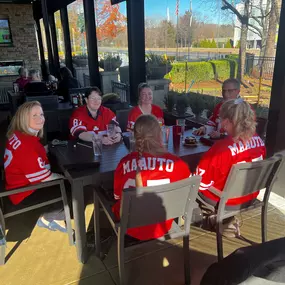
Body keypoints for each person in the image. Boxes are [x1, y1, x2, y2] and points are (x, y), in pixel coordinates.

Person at [112, 115, 191, 240]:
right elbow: (186, 194)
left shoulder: (124, 163)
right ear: (159, 134)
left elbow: (117, 196)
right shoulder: (177, 164)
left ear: (135, 136)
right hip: (163, 224)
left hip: (131, 227)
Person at [196, 99, 266, 234]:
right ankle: (223, 220)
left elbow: (202, 184)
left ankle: (211, 219)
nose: (221, 124)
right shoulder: (260, 142)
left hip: (228, 200)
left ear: (229, 121)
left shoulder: (221, 148)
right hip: (250, 196)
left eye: (222, 119)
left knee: (191, 186)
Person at [4, 101, 67, 232]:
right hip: (23, 194)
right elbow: (45, 177)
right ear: (23, 118)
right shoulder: (26, 145)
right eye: (34, 115)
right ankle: (47, 218)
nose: (40, 119)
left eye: (41, 114)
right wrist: (64, 177)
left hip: (16, 184)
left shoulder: (18, 134)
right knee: (71, 185)